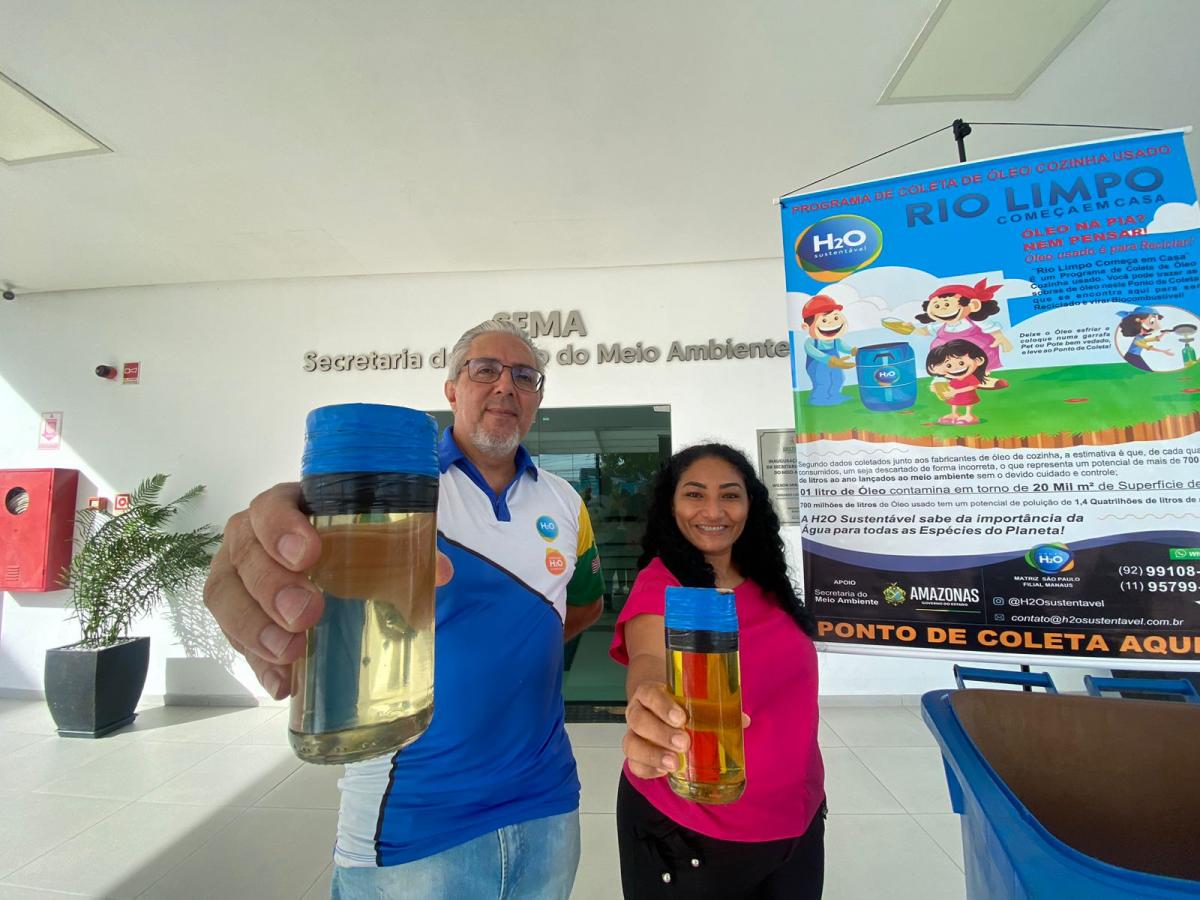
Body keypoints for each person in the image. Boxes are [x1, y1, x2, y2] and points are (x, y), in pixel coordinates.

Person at [203, 319, 605, 899]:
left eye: (525, 376)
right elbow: (307, 539)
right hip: (412, 826)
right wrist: (273, 537)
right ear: (451, 389)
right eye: (485, 369)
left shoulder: (565, 501)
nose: (506, 387)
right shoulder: (397, 488)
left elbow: (584, 608)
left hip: (548, 806)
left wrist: (504, 655)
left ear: (538, 398)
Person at [610, 443, 826, 899]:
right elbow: (649, 661)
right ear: (671, 505)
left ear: (751, 504)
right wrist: (649, 699)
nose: (713, 510)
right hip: (694, 831)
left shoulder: (768, 583)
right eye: (694, 494)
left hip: (798, 819)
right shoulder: (664, 583)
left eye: (730, 495)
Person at [914, 278, 1012, 372]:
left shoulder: (975, 321)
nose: (942, 309)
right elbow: (925, 331)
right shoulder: (941, 326)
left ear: (973, 305)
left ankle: (984, 371)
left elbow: (991, 328)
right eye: (937, 306)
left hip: (975, 354)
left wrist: (1001, 339)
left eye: (947, 305)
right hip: (951, 360)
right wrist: (910, 329)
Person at [800, 294, 857, 407]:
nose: (832, 323)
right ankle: (819, 398)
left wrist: (853, 351)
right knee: (823, 381)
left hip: (835, 363)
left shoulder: (836, 341)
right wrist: (830, 360)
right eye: (824, 320)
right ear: (806, 327)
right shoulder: (810, 342)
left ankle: (835, 395)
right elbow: (814, 353)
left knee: (838, 379)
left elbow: (844, 347)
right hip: (817, 366)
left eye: (836, 318)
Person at [1117, 305, 1173, 371]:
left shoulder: (1141, 337)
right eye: (1152, 321)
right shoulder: (1137, 340)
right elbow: (1148, 347)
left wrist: (1163, 333)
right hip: (1132, 357)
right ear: (1138, 321)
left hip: (1134, 357)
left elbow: (1155, 339)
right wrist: (1163, 351)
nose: (1158, 327)